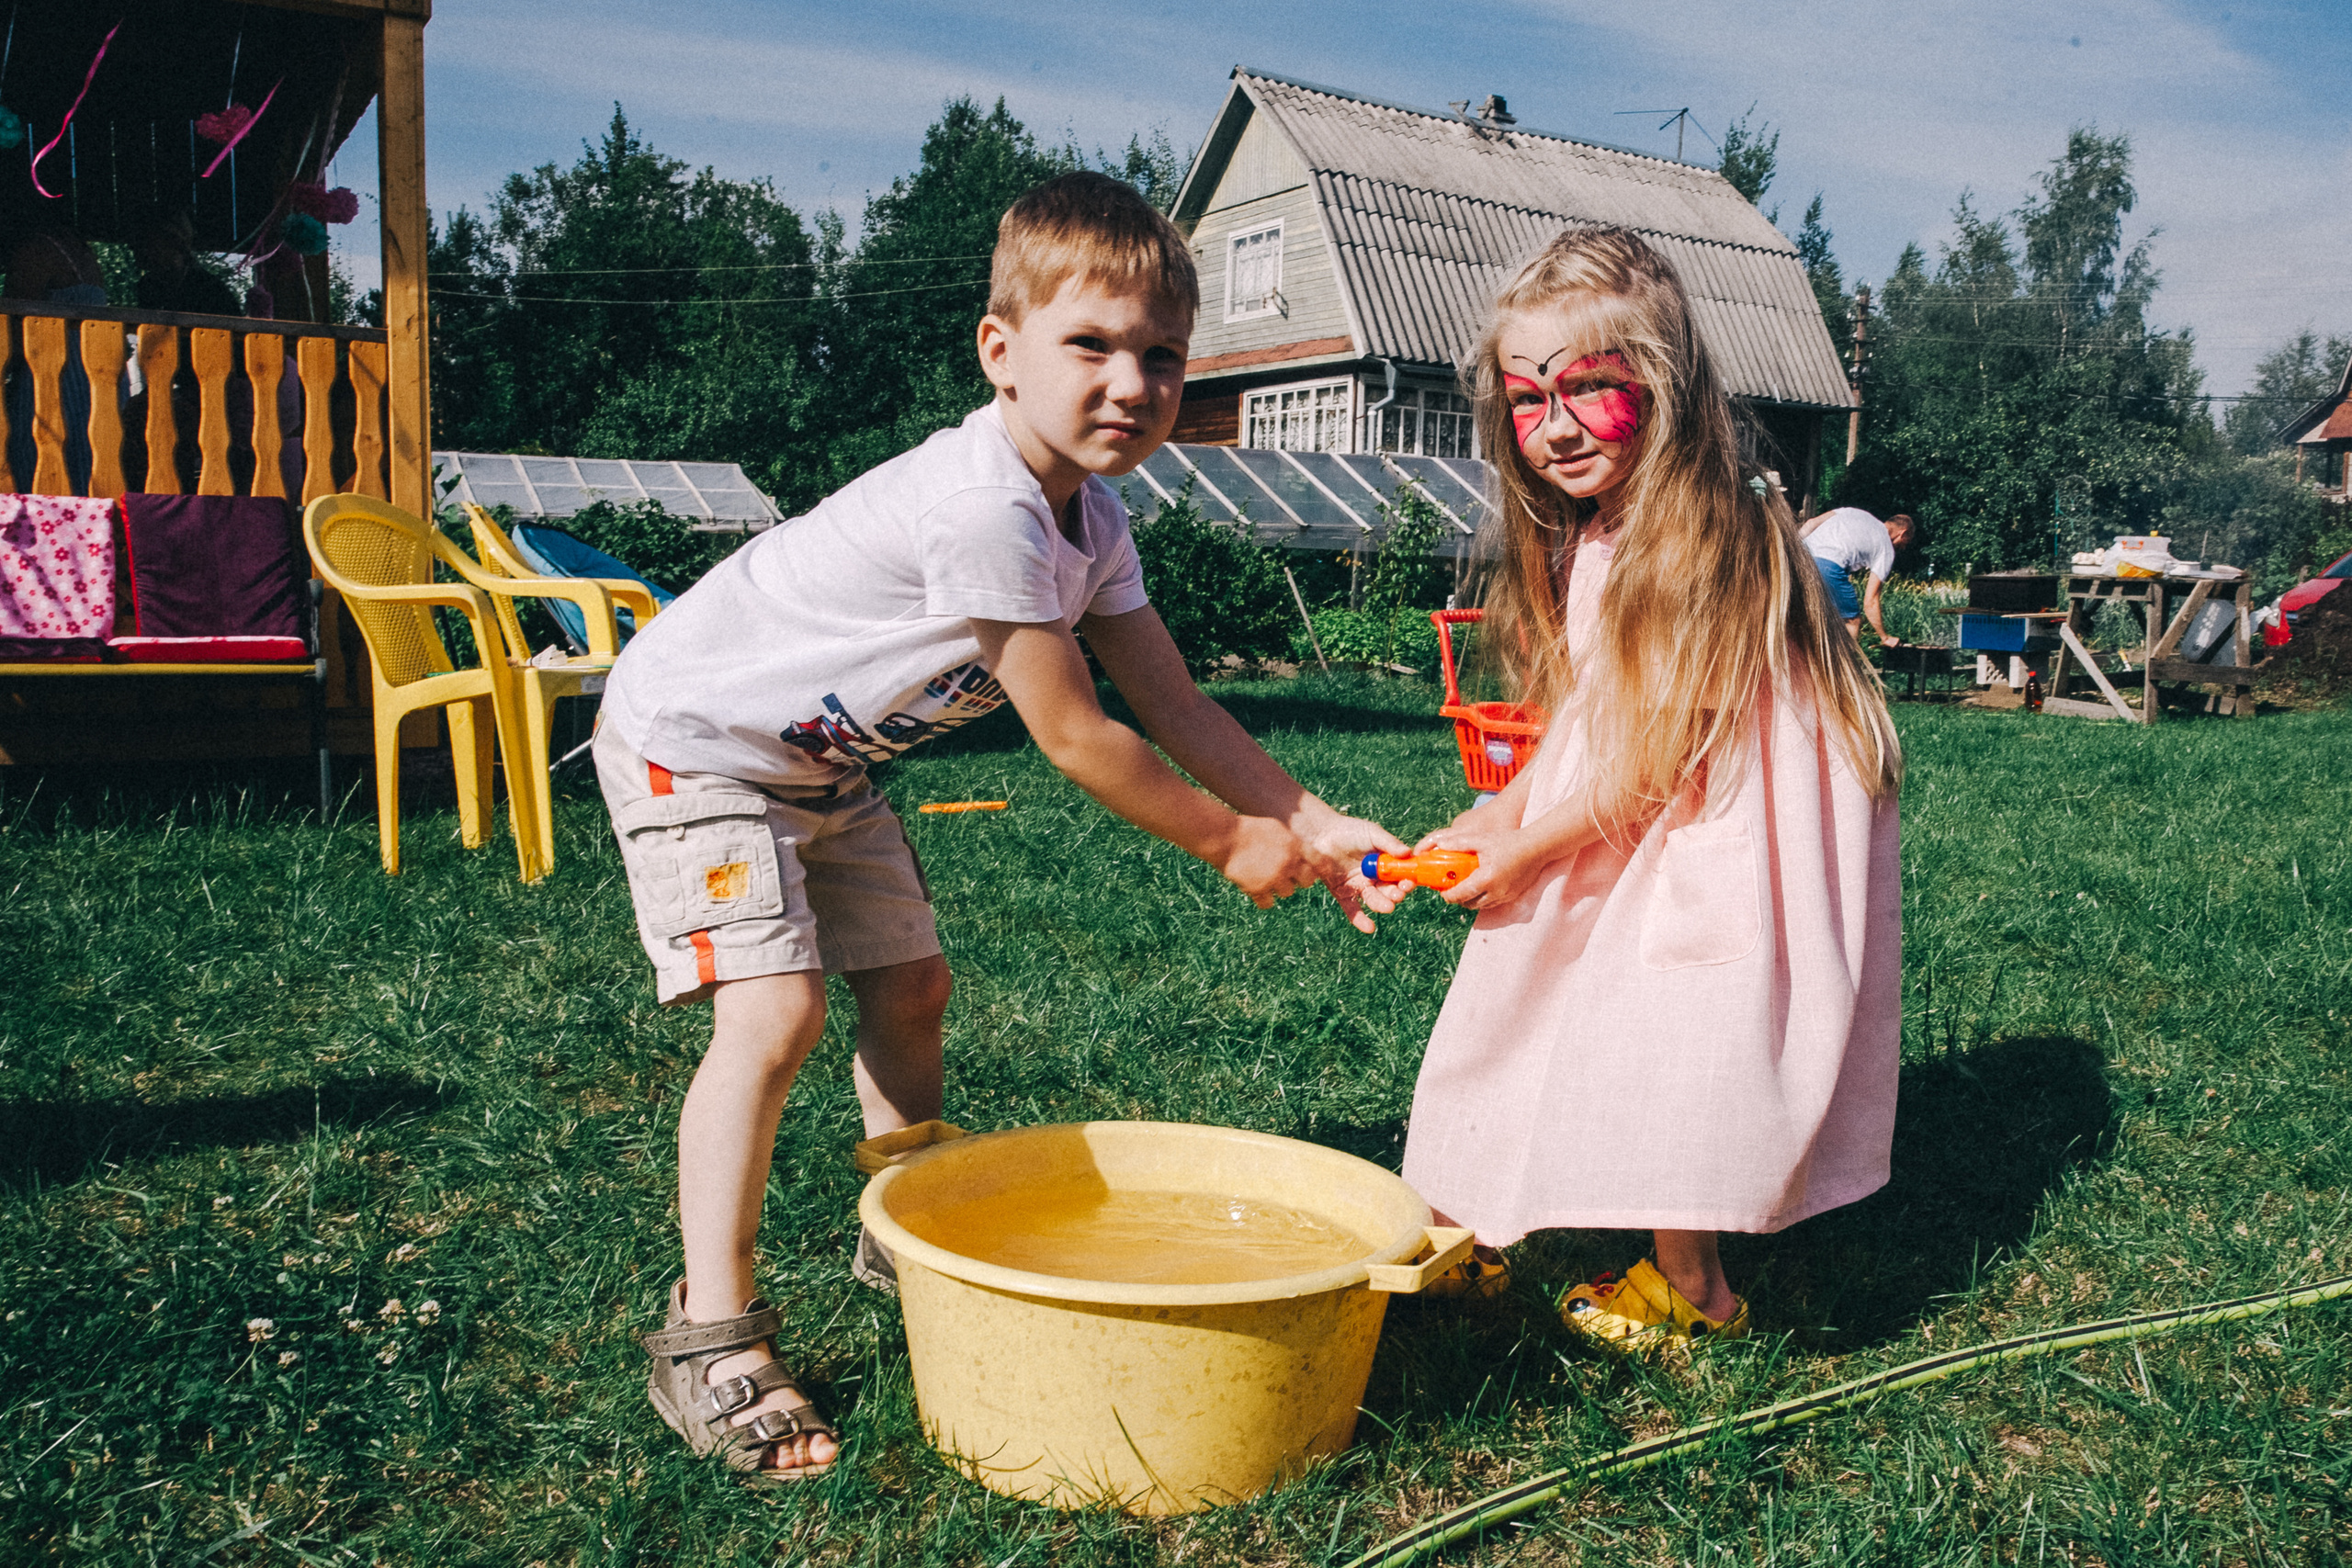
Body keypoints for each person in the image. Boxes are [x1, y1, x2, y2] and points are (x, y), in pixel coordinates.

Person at [593, 172, 1402, 1482]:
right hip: (700, 744)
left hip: (823, 767)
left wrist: (1308, 814)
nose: (1131, 383)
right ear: (1000, 351)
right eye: (1091, 345)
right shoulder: (985, 503)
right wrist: (1228, 841)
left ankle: (899, 1218)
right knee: (777, 1012)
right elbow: (1077, 733)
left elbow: (1173, 699)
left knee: (912, 983)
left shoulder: (1096, 516)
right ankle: (711, 1330)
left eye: (1162, 355)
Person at [1366, 226, 1903, 1345]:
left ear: (1662, 384)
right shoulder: (1599, 528)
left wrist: (1528, 847)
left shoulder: (1707, 534)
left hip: (1706, 828)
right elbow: (1589, 715)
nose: (1555, 427)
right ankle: (1464, 1223)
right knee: (1522, 997)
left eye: (1587, 389)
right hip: (1633, 796)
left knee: (1676, 1042)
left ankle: (1692, 1287)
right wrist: (1501, 809)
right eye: (1528, 398)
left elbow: (1666, 755)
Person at [1802, 504, 1915, 645]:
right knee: (1851, 621)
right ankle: (1844, 659)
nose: (1902, 548)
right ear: (1902, 533)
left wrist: (1790, 551)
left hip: (1801, 557)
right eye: (1905, 543)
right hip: (1828, 566)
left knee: (1810, 615)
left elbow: (1810, 523)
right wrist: (1884, 637)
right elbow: (1870, 601)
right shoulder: (1885, 547)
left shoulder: (1854, 513)